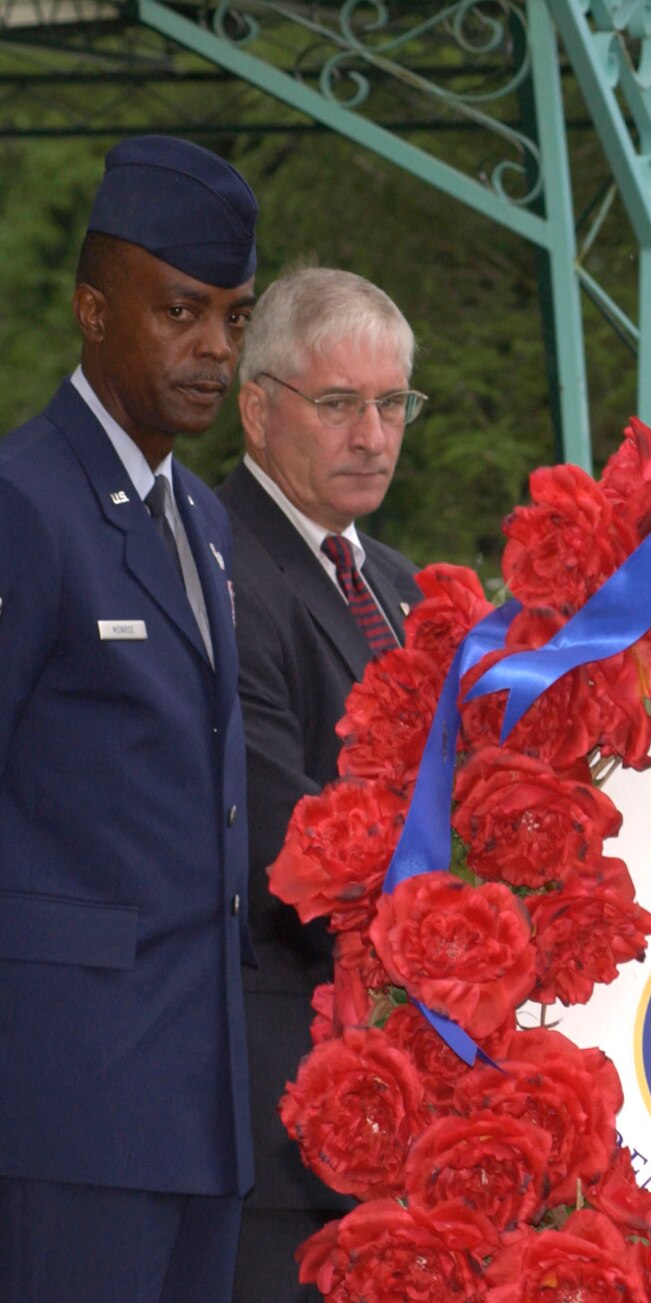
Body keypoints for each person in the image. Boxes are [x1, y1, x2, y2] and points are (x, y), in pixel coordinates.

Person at [0, 135, 258, 1302]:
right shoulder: (25, 504)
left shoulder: (197, 515)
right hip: (65, 1103)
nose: (213, 350)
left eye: (234, 319)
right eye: (181, 312)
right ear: (93, 311)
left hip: (197, 1099)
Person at [215, 267, 425, 1302]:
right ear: (257, 410)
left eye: (392, 404)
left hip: (393, 1104)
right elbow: (280, 836)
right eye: (339, 404)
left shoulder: (397, 583)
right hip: (277, 1116)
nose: (373, 435)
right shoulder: (211, 565)